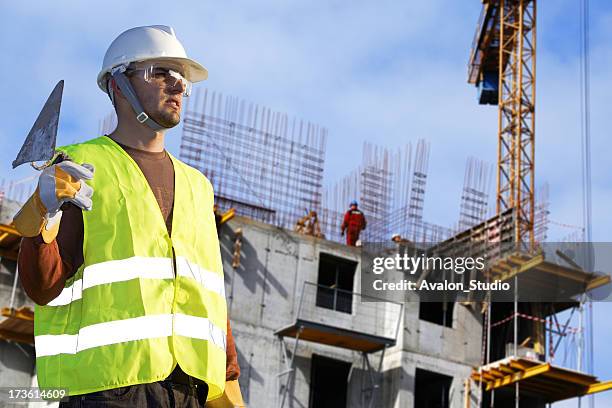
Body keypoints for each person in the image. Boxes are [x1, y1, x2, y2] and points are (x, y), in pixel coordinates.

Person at [14, 25, 242, 407]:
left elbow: (209, 297)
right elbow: (43, 287)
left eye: (181, 78)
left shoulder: (199, 186)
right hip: (107, 388)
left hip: (191, 390)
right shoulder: (79, 166)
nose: (176, 86)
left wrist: (229, 385)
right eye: (160, 72)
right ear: (118, 84)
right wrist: (43, 213)